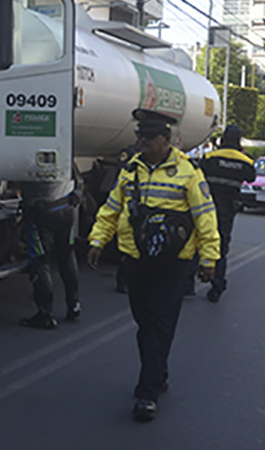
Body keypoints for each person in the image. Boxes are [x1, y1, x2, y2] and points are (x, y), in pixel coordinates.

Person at [86, 108, 220, 423]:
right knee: (144, 323)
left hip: (173, 264)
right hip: (136, 260)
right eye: (139, 137)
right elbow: (112, 209)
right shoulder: (130, 170)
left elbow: (205, 217)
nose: (141, 143)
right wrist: (96, 241)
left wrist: (210, 259)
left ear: (166, 139)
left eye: (148, 138)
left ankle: (148, 393)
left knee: (159, 323)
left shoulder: (189, 172)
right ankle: (158, 372)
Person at [199, 125, 256, 303]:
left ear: (222, 140)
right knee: (221, 247)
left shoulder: (210, 157)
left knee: (198, 242)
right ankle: (217, 286)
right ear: (239, 142)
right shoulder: (245, 161)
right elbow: (251, 177)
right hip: (227, 209)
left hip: (205, 207)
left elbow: (198, 175)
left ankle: (187, 285)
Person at [19, 179, 81, 329]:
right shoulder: (63, 156)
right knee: (67, 256)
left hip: (42, 211)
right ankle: (74, 305)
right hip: (67, 208)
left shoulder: (31, 156)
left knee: (40, 261)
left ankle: (45, 314)